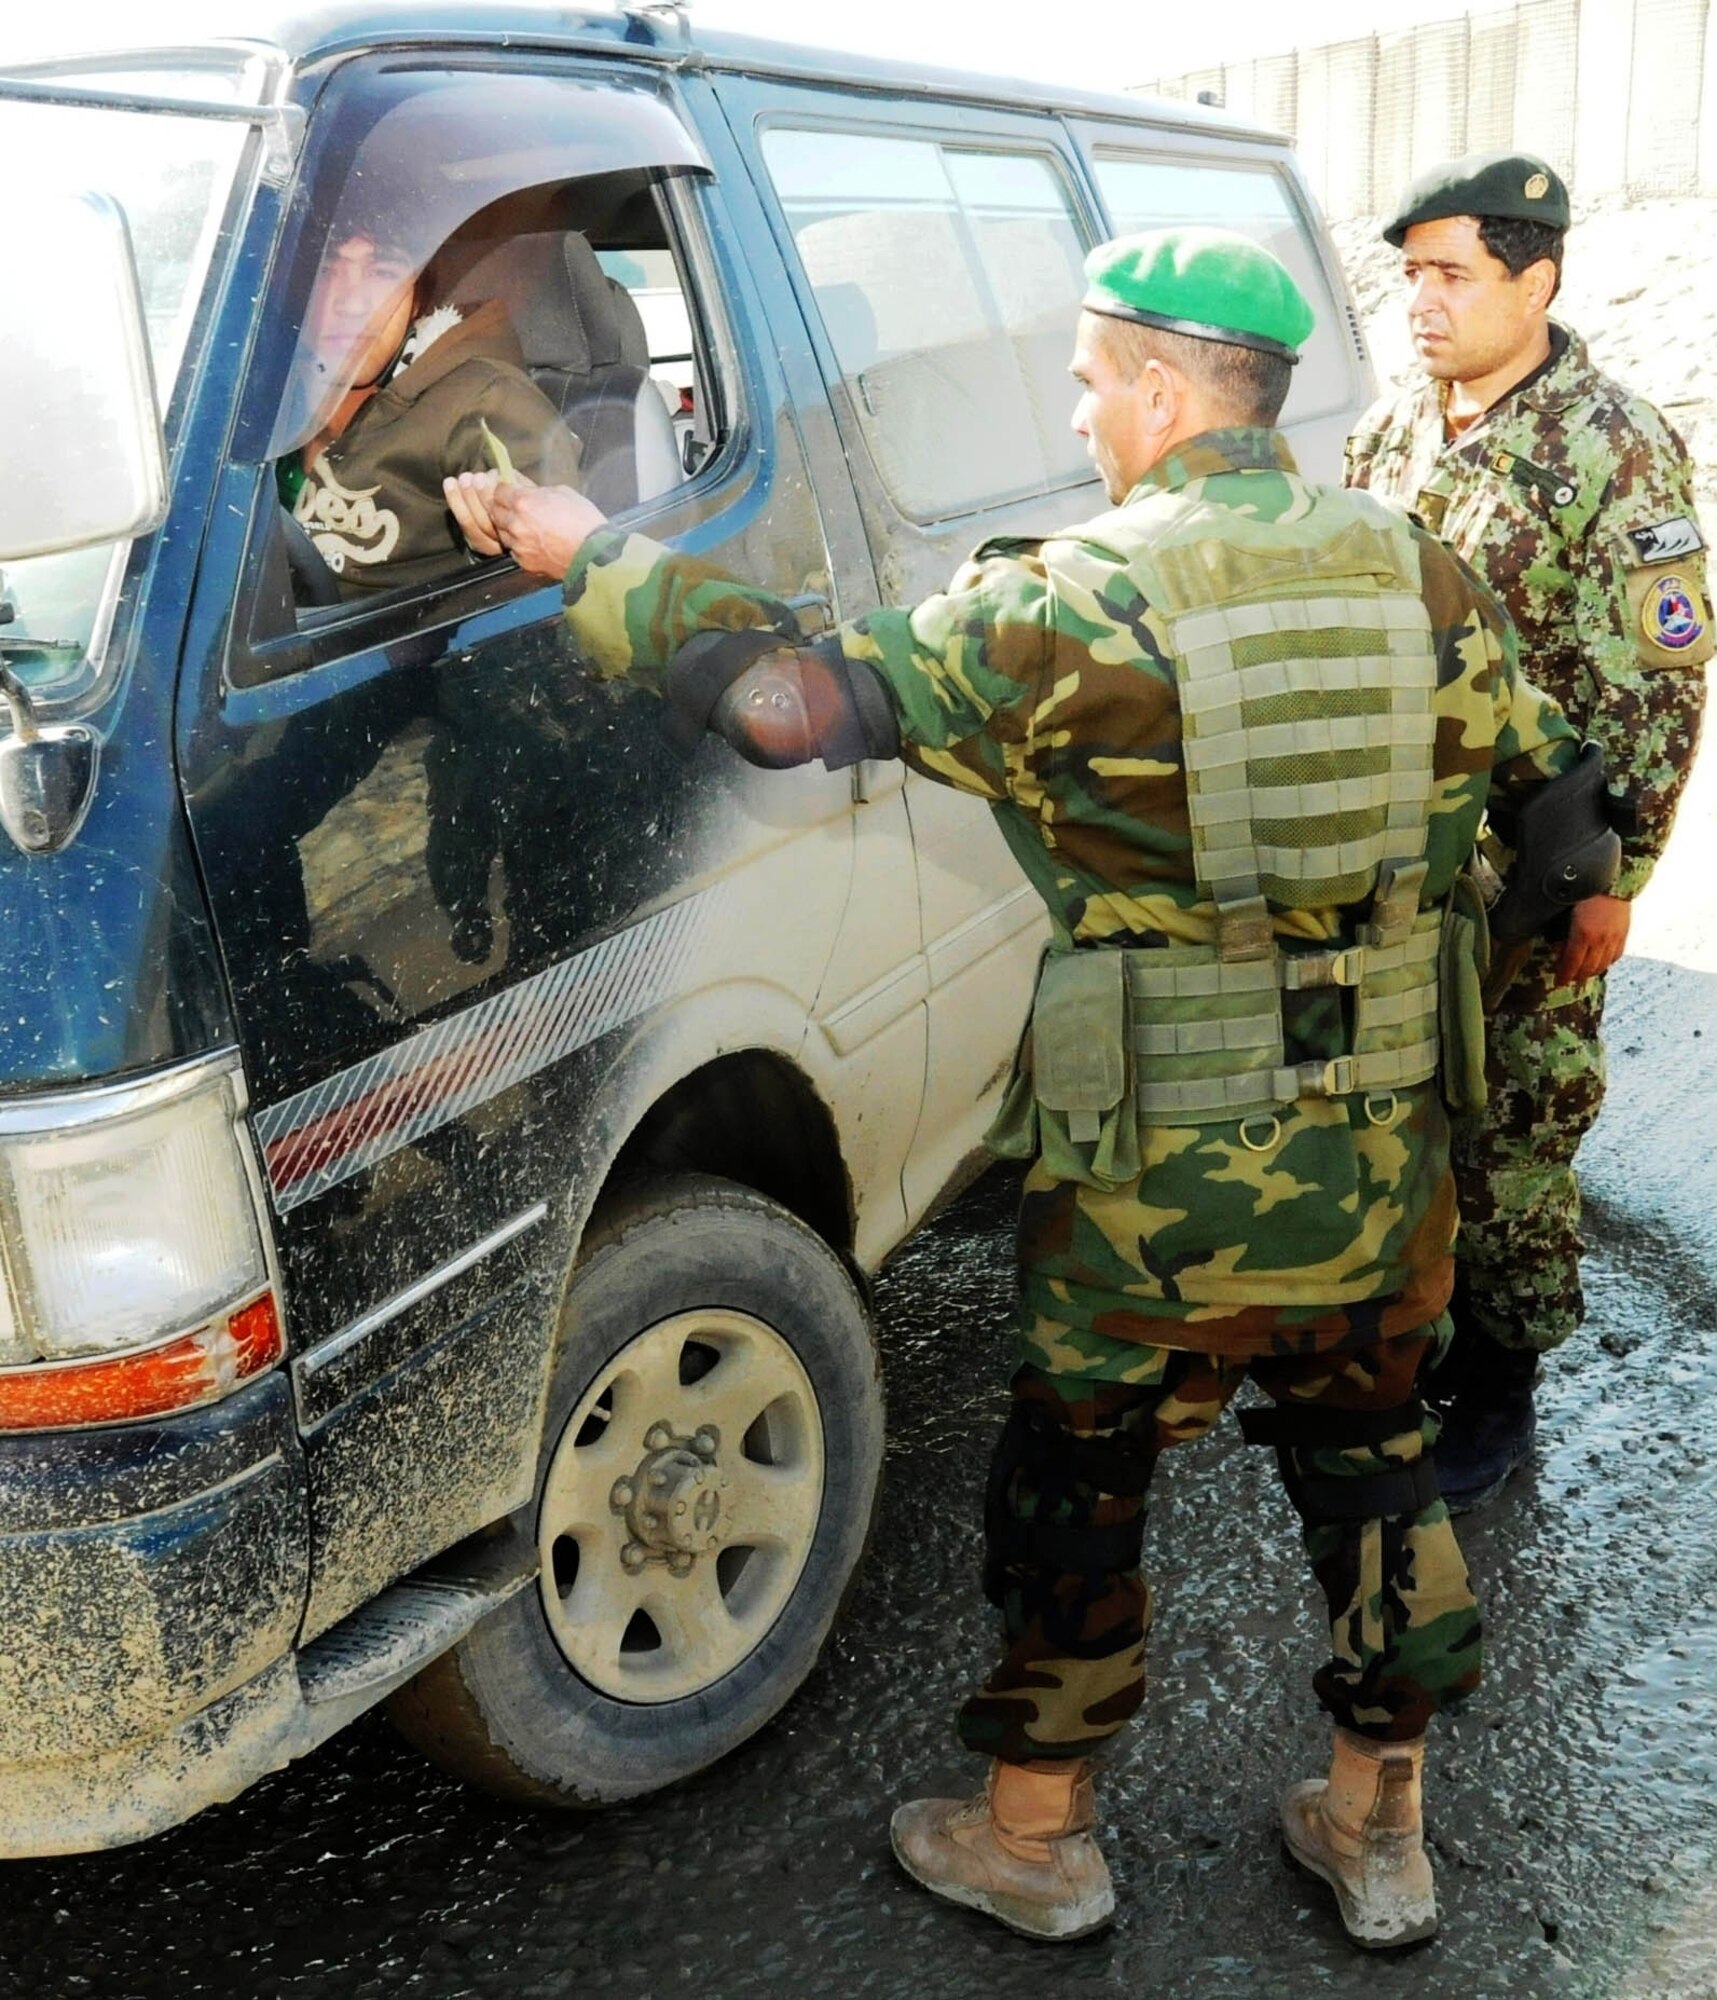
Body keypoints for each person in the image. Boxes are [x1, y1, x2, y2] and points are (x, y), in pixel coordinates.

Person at [467, 227, 1605, 1951]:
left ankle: (1038, 1840)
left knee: (1081, 1482)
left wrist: (587, 554)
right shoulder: (1417, 569)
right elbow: (1564, 814)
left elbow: (791, 703)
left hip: (1152, 1180)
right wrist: (1436, 1013)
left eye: (1087, 383)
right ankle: (1381, 1836)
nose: (1079, 420)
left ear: (1161, 388)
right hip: (1382, 1163)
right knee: (1376, 1465)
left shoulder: (1074, 600)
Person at [1345, 152, 1716, 1511]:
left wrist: (1610, 883)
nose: (1421, 304)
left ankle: (1499, 1389)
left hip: (1531, 870)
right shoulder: (1398, 429)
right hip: (1402, 866)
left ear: (1535, 278)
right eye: (1411, 277)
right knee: (1403, 1115)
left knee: (1515, 1134)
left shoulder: (1615, 446)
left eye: (1451, 275)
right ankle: (1417, 1337)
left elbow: (1659, 693)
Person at [283, 222, 580, 594]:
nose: (352, 302)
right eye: (326, 271)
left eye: (383, 272)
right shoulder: (260, 396)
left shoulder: (484, 399)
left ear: (417, 299)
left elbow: (560, 575)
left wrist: (492, 549)